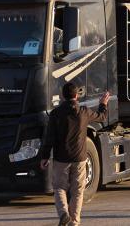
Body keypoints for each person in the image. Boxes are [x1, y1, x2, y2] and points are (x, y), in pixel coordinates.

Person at [40, 83, 110, 226]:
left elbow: (50, 138)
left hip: (61, 158)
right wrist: (103, 104)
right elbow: (102, 117)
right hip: (79, 158)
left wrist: (45, 156)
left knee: (59, 188)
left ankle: (63, 214)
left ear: (62, 96)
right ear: (76, 95)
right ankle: (74, 222)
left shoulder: (56, 114)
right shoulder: (84, 111)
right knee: (78, 191)